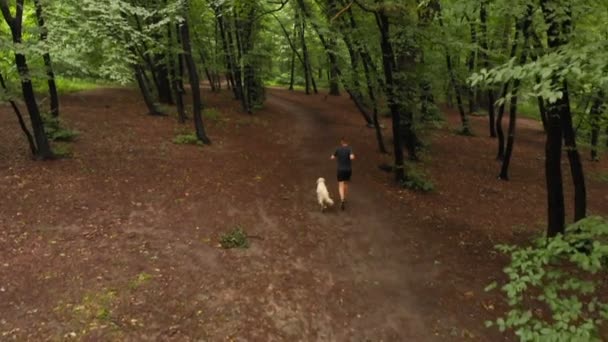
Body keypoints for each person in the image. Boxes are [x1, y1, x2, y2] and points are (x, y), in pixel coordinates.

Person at [330, 137, 355, 210]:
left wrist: (334, 157)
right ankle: (344, 197)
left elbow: (332, 157)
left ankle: (342, 199)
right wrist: (351, 156)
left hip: (340, 170)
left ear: (341, 142)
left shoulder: (338, 149)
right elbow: (352, 157)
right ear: (348, 142)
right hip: (348, 170)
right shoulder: (349, 149)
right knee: (346, 183)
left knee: (340, 185)